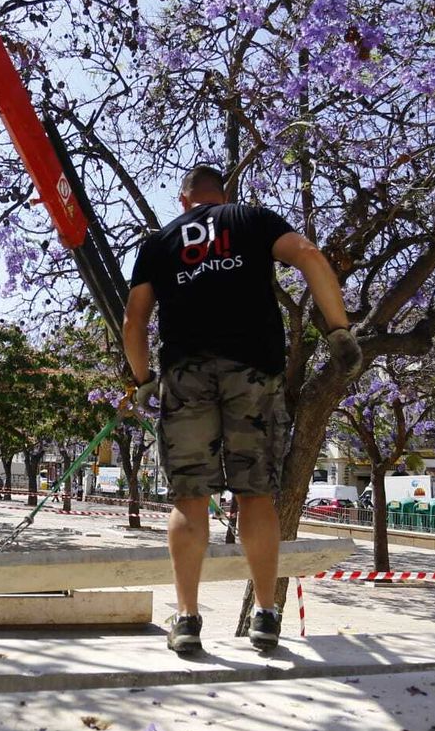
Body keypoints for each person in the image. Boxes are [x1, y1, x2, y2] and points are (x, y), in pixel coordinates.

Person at [123, 165, 361, 654]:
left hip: (186, 373)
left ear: (184, 200)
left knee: (189, 498)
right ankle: (267, 618)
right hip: (253, 370)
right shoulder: (251, 218)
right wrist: (338, 329)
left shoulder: (160, 243)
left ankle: (187, 619)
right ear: (222, 195)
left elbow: (135, 320)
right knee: (255, 494)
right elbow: (309, 256)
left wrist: (144, 379)